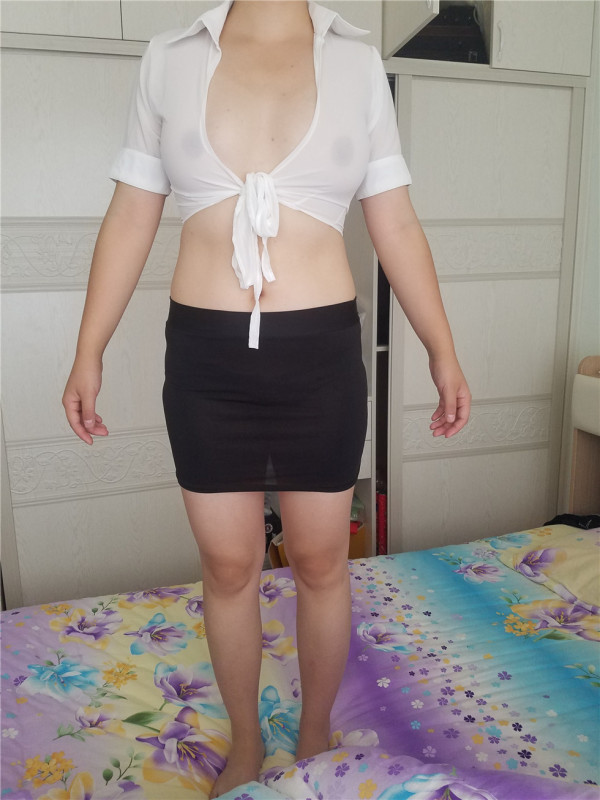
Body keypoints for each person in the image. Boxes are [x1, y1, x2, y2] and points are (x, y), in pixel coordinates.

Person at [62, 1, 471, 796]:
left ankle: (314, 731)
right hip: (206, 359)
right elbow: (131, 215)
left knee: (321, 560)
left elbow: (395, 223)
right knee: (228, 565)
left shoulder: (356, 61)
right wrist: (89, 349)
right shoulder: (170, 56)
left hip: (320, 357)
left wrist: (442, 349)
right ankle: (247, 742)